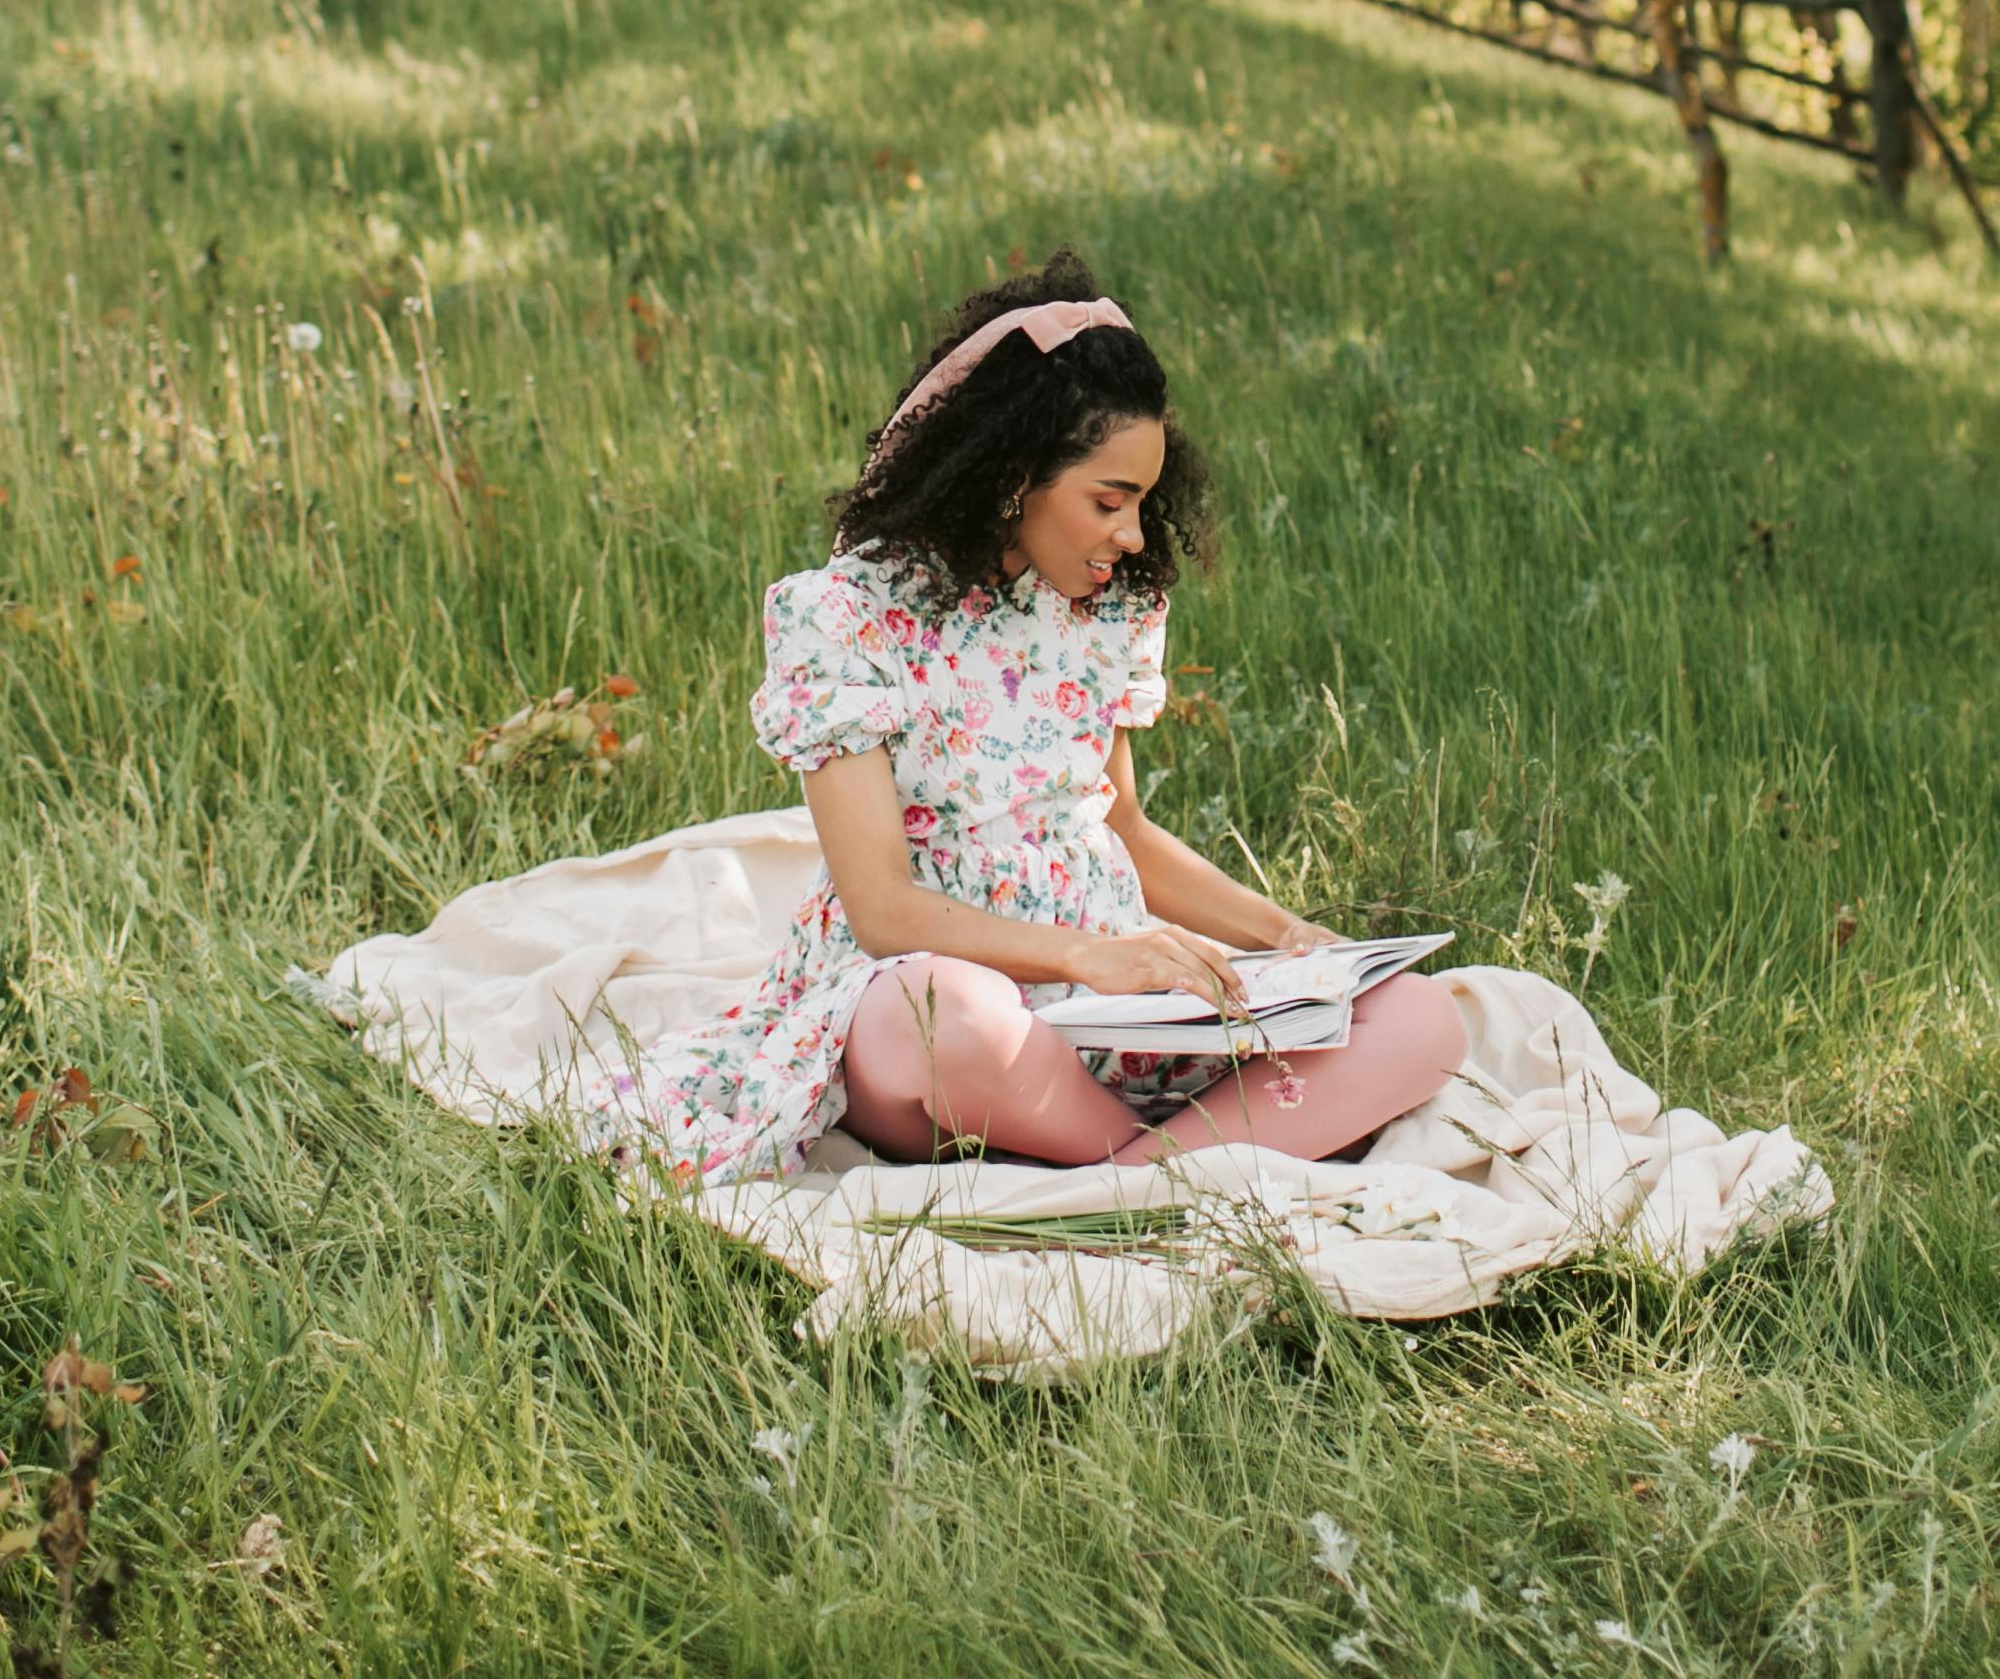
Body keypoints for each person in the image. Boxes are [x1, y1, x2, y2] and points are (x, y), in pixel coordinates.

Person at [591, 252, 1467, 1185]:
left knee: (1420, 1019)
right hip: (941, 1003)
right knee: (944, 1014)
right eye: (1109, 500)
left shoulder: (1111, 611)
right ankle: (1192, 1160)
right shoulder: (845, 618)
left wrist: (1298, 944)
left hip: (1114, 1010)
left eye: (1143, 501)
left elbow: (1121, 826)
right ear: (1016, 476)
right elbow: (882, 910)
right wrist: (1089, 957)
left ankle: (1137, 1177)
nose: (1132, 535)